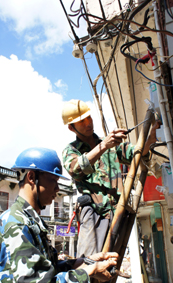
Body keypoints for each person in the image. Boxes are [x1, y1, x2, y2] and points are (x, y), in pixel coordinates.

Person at [0, 147, 118, 283]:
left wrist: (86, 261)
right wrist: (88, 272)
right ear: (32, 177)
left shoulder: (31, 222)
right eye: (53, 181)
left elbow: (49, 269)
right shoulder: (16, 225)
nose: (57, 189)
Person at [62, 99, 161, 257]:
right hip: (94, 213)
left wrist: (149, 140)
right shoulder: (71, 150)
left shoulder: (110, 144)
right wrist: (103, 146)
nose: (88, 123)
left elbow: (135, 153)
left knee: (111, 261)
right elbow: (76, 170)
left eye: (89, 118)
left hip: (117, 211)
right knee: (90, 262)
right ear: (71, 127)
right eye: (81, 121)